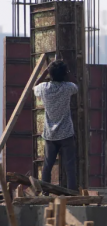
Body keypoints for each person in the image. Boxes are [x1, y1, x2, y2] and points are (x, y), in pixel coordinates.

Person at [34, 59, 79, 190]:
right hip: (66, 133)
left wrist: (44, 73)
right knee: (70, 166)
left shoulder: (44, 88)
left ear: (50, 73)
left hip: (50, 134)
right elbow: (76, 85)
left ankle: (45, 192)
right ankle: (72, 192)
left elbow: (35, 86)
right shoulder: (67, 87)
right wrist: (69, 73)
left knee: (47, 165)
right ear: (64, 74)